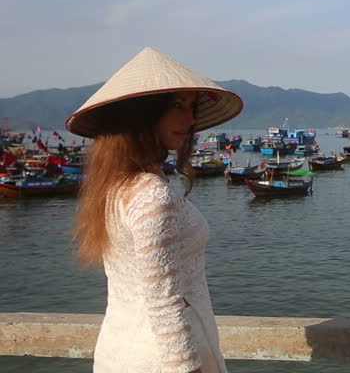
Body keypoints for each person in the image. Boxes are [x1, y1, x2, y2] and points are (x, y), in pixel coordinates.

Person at [67, 47, 243, 373]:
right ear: (141, 114)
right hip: (159, 361)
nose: (190, 120)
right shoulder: (151, 195)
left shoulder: (113, 187)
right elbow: (164, 304)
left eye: (191, 107)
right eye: (177, 106)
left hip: (117, 350)